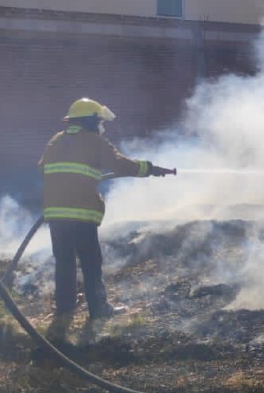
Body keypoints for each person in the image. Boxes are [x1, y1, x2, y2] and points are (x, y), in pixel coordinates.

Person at [40, 99, 172, 340]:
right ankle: (99, 310)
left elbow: (45, 170)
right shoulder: (94, 141)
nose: (101, 126)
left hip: (56, 215)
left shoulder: (55, 141)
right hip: (81, 213)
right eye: (99, 121)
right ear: (90, 121)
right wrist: (150, 168)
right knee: (91, 262)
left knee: (64, 262)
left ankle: (64, 310)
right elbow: (119, 164)